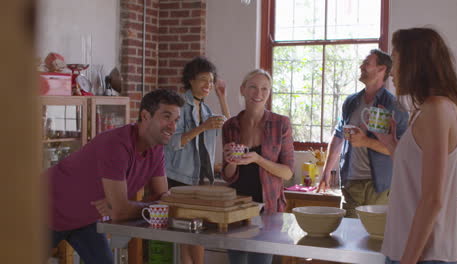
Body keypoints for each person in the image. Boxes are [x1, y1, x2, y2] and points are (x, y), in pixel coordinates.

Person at [48, 89, 185, 264]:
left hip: (84, 219)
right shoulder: (116, 144)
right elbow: (121, 212)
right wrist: (140, 207)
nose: (173, 127)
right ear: (145, 115)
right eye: (166, 117)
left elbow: (163, 200)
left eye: (176, 120)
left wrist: (132, 206)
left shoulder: (156, 149)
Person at [378, 27, 457, 264]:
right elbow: (416, 174)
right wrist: (392, 144)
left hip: (423, 255)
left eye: (395, 61)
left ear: (414, 63)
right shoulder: (425, 110)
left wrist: (407, 261)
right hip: (407, 250)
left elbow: (432, 199)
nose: (391, 73)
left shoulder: (437, 109)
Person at [317, 49, 409, 218]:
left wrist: (365, 141)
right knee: (349, 235)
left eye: (367, 63)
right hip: (351, 182)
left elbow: (402, 150)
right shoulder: (351, 102)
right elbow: (338, 136)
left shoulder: (392, 105)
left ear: (381, 69)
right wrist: (326, 171)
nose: (361, 66)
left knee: (373, 236)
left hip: (379, 185)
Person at [222, 69, 294, 264]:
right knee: (237, 261)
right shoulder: (230, 126)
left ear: (269, 93)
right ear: (243, 90)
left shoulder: (281, 124)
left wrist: (258, 159)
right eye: (253, 87)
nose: (258, 94)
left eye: (264, 89)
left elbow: (287, 172)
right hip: (237, 208)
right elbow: (228, 177)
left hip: (269, 208)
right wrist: (229, 161)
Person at [163, 56, 230, 264]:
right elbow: (172, 142)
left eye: (210, 81)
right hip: (180, 178)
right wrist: (202, 127)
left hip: (201, 179)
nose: (207, 85)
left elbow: (228, 128)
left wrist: (221, 97)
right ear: (190, 80)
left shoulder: (207, 110)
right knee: (193, 234)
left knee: (191, 235)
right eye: (203, 79)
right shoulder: (178, 107)